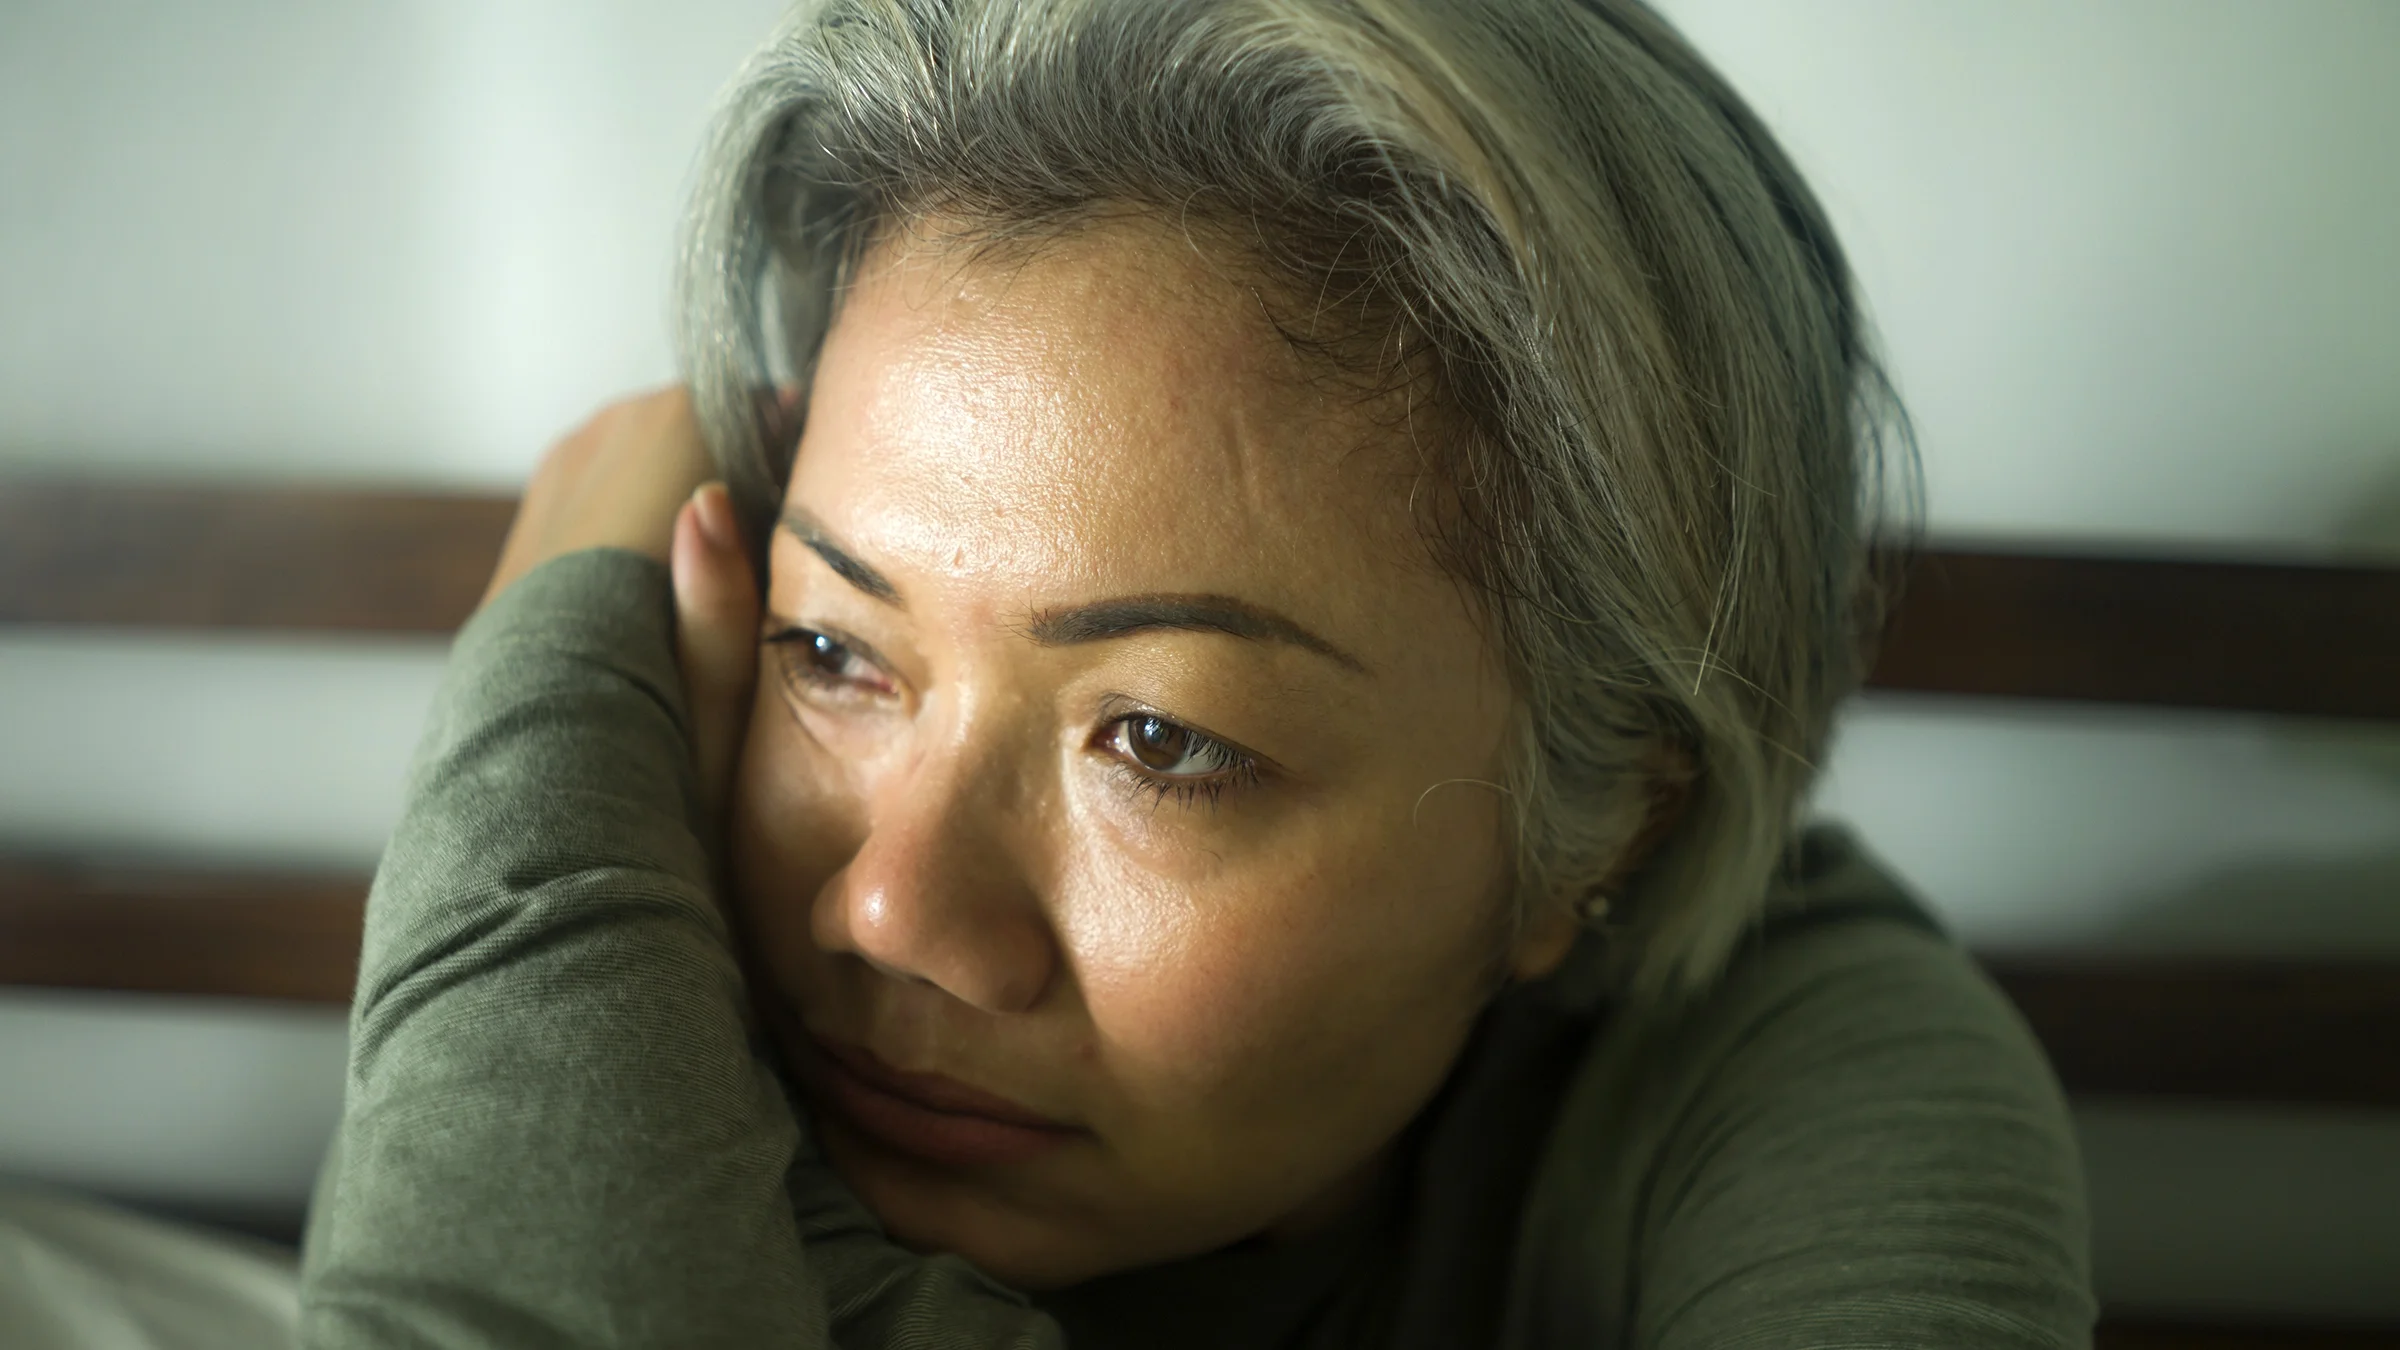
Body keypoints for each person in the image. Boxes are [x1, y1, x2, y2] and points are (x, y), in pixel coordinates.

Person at [298, 0, 2096, 1345]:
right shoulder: (676, 894)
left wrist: (532, 758)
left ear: (1603, 822)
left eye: (1158, 740)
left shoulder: (1804, 1074)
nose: (894, 910)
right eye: (835, 649)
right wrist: (561, 701)